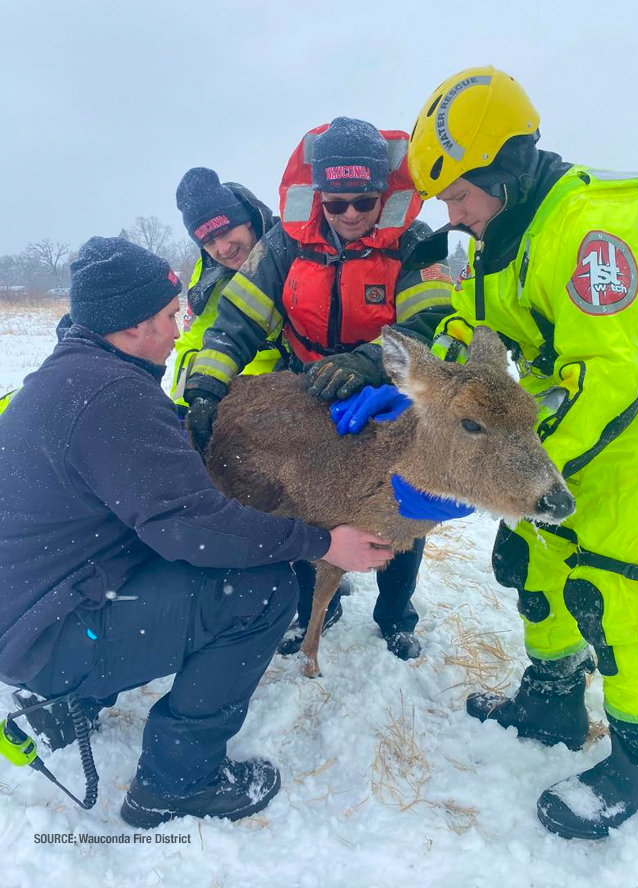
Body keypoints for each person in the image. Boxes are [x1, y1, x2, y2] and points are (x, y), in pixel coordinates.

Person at [0, 236, 393, 828]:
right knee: (264, 592)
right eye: (169, 315)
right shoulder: (114, 398)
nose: (179, 327)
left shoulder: (72, 375)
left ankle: (67, 702)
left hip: (34, 608)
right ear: (133, 329)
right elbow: (194, 531)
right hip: (49, 633)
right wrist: (321, 542)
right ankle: (176, 782)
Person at [406, 65, 638, 839]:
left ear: (507, 169)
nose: (455, 216)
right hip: (570, 442)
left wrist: (510, 470)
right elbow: (481, 323)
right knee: (536, 564)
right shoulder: (513, 235)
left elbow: (612, 378)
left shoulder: (598, 231)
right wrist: (427, 349)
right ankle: (555, 699)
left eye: (460, 196)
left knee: (614, 593)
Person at [183, 117, 455, 661]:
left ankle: (395, 615)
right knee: (306, 505)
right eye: (337, 203)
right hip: (309, 393)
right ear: (318, 197)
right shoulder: (285, 244)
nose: (351, 215)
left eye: (364, 201)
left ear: (385, 195)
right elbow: (234, 322)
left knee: (401, 506)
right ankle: (318, 607)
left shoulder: (415, 244)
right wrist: (206, 388)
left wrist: (370, 361)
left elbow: (434, 330)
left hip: (390, 396)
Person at [172, 168, 285, 411]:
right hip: (241, 392)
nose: (223, 249)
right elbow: (192, 344)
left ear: (246, 221)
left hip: (295, 383)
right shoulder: (207, 277)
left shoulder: (287, 247)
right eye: (209, 242)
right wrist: (185, 404)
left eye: (225, 233)